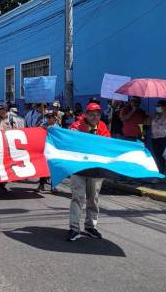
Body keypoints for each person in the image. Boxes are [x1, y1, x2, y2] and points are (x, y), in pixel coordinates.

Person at [66, 102, 111, 242]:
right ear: (86, 114)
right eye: (92, 114)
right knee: (77, 198)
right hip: (79, 168)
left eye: (97, 114)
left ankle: (90, 226)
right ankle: (74, 228)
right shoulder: (76, 126)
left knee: (93, 199)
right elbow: (69, 139)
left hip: (96, 170)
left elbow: (108, 144)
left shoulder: (103, 127)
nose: (95, 117)